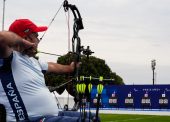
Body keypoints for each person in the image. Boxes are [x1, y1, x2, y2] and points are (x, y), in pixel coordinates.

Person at [0, 19, 93, 122]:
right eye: (36, 36)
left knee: (93, 117)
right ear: (26, 38)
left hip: (51, 115)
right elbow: (2, 38)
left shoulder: (33, 62)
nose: (38, 40)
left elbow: (52, 66)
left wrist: (70, 68)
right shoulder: (8, 58)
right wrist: (22, 43)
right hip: (30, 119)